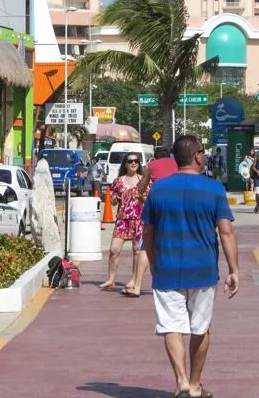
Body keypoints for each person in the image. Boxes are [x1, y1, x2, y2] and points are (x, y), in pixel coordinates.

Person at [142, 135, 238, 398]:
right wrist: (234, 270)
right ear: (197, 156)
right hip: (203, 270)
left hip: (167, 268)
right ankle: (195, 385)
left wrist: (153, 262)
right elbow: (226, 232)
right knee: (200, 327)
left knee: (171, 325)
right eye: (203, 153)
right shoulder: (214, 189)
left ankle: (182, 381)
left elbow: (148, 233)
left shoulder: (158, 189)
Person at [124, 146, 179, 298]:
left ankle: (137, 285)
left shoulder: (150, 166)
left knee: (145, 245)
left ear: (155, 157)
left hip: (158, 205)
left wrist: (142, 193)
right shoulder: (178, 164)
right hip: (178, 207)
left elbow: (141, 188)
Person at [98, 154, 146, 291]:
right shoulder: (118, 181)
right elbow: (114, 201)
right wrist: (114, 198)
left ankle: (134, 280)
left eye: (136, 161)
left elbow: (149, 200)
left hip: (138, 219)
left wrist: (143, 198)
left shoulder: (143, 181)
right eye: (130, 161)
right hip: (122, 220)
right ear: (125, 164)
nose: (133, 163)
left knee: (137, 250)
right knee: (114, 250)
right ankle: (111, 279)